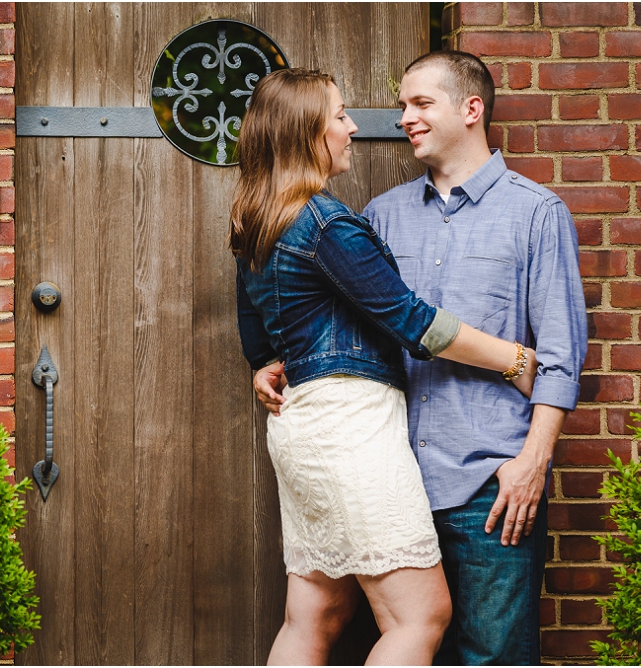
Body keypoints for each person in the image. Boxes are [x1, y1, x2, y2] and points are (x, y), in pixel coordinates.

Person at [253, 52, 588, 665]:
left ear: (471, 109)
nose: (402, 117)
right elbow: (377, 321)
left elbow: (563, 358)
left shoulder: (536, 213)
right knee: (392, 624)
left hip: (489, 479)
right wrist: (280, 357)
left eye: (420, 103)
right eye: (401, 104)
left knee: (491, 655)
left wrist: (532, 461)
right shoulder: (375, 216)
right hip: (391, 468)